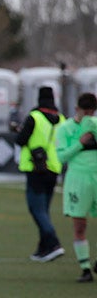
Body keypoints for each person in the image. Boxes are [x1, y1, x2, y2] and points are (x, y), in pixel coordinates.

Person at [15, 86, 65, 262]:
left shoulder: (34, 117)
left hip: (35, 168)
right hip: (54, 167)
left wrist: (18, 130)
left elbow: (20, 140)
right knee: (44, 209)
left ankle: (53, 243)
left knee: (36, 208)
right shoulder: (61, 119)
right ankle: (43, 248)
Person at [55, 92, 97, 282]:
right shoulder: (65, 129)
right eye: (85, 112)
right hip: (78, 178)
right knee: (80, 224)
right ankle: (85, 268)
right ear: (76, 110)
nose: (88, 116)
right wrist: (80, 144)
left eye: (91, 113)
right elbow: (62, 157)